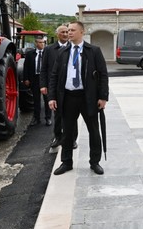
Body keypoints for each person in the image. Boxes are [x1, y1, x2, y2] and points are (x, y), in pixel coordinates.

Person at [47, 21, 108, 175]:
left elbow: (103, 75)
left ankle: (95, 162)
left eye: (73, 30)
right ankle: (66, 162)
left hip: (88, 97)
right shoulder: (63, 52)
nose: (69, 33)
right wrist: (52, 97)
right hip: (68, 97)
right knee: (67, 132)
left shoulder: (93, 51)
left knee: (94, 131)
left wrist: (103, 97)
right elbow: (54, 76)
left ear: (82, 32)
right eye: (68, 30)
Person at [41, 25, 72, 149]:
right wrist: (43, 85)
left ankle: (71, 139)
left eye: (67, 32)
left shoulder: (73, 48)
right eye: (63, 32)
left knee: (70, 115)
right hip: (55, 88)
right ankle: (58, 137)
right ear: (57, 34)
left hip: (70, 87)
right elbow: (44, 69)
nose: (65, 34)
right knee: (58, 114)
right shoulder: (49, 49)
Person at [23, 34, 51, 126]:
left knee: (47, 100)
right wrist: (26, 78)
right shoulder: (30, 54)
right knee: (36, 100)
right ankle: (36, 118)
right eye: (40, 42)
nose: (42, 44)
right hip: (34, 79)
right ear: (36, 43)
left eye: (43, 42)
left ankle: (48, 118)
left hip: (45, 80)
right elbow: (26, 67)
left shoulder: (48, 53)